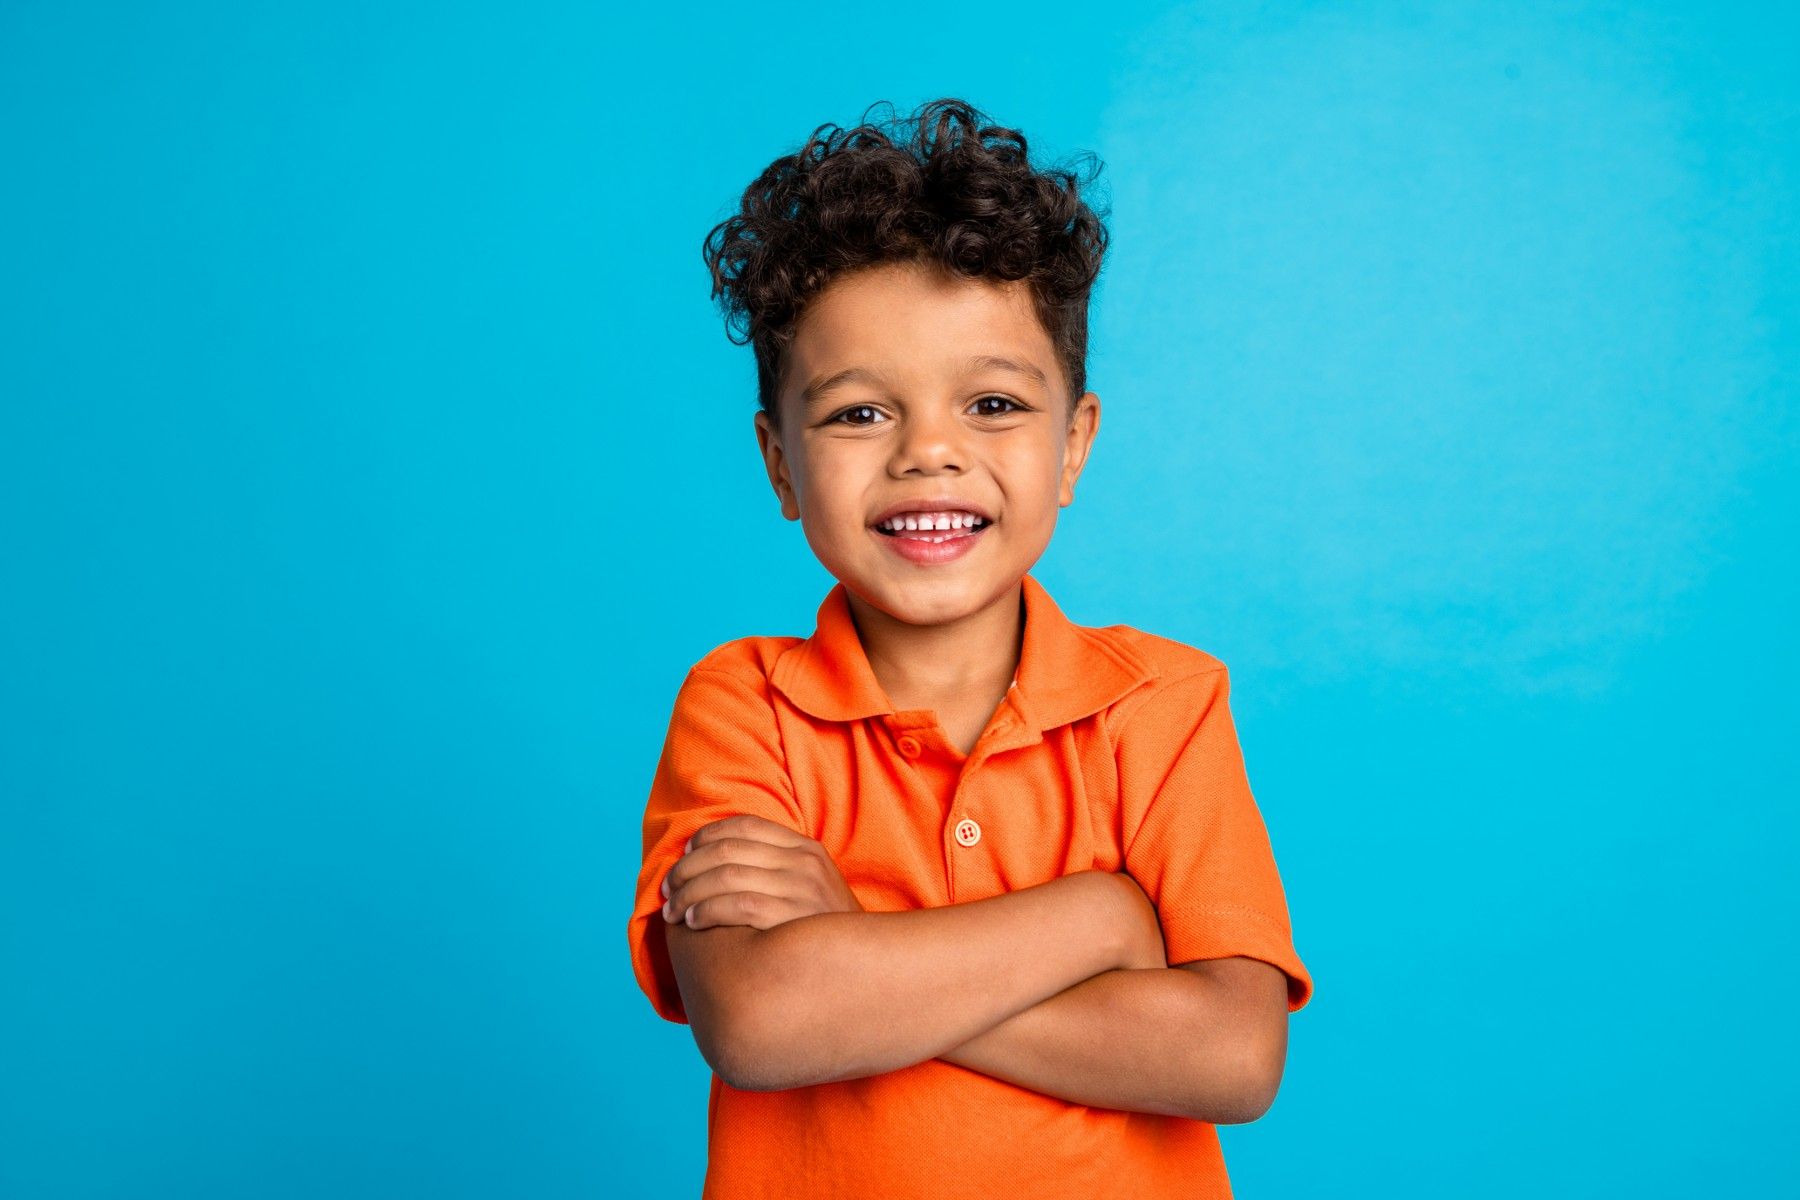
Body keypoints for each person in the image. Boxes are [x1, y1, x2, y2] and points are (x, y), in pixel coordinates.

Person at [627, 96, 1313, 1199]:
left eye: (992, 402)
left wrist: (858, 946)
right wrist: (1100, 916)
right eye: (859, 415)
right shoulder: (742, 704)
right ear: (779, 463)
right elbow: (763, 1021)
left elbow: (1231, 1058)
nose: (929, 454)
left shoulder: (1163, 703)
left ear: (1073, 444)